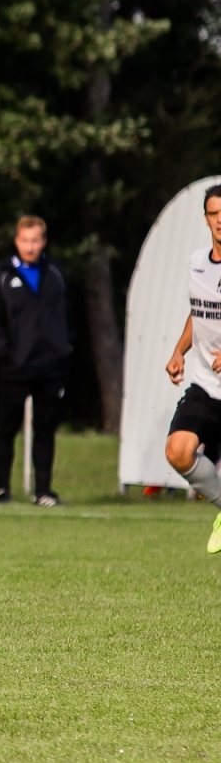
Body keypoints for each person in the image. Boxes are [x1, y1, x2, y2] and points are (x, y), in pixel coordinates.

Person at [0, 215, 72, 506]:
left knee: (45, 429)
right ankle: (1, 489)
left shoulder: (55, 273)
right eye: (25, 240)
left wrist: (64, 348)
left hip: (50, 365)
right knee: (7, 427)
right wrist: (5, 353)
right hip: (16, 366)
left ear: (43, 242)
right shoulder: (3, 275)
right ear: (16, 241)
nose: (30, 246)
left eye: (35, 240)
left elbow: (67, 315)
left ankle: (43, 490)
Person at [163, 185, 221, 553]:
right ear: (206, 219)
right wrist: (179, 351)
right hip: (206, 384)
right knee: (178, 451)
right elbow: (200, 313)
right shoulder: (198, 262)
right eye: (215, 214)